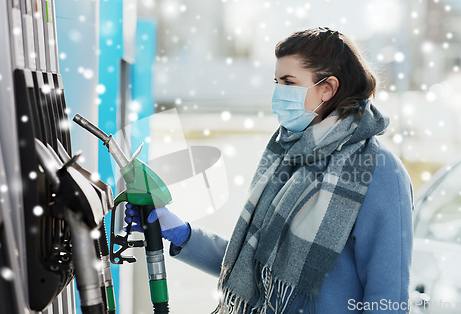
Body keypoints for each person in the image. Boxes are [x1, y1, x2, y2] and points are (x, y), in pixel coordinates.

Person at [125, 27, 414, 313]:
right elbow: (251, 266)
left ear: (327, 88)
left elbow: (388, 298)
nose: (278, 94)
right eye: (276, 82)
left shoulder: (380, 170)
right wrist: (180, 232)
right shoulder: (286, 155)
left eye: (289, 83)